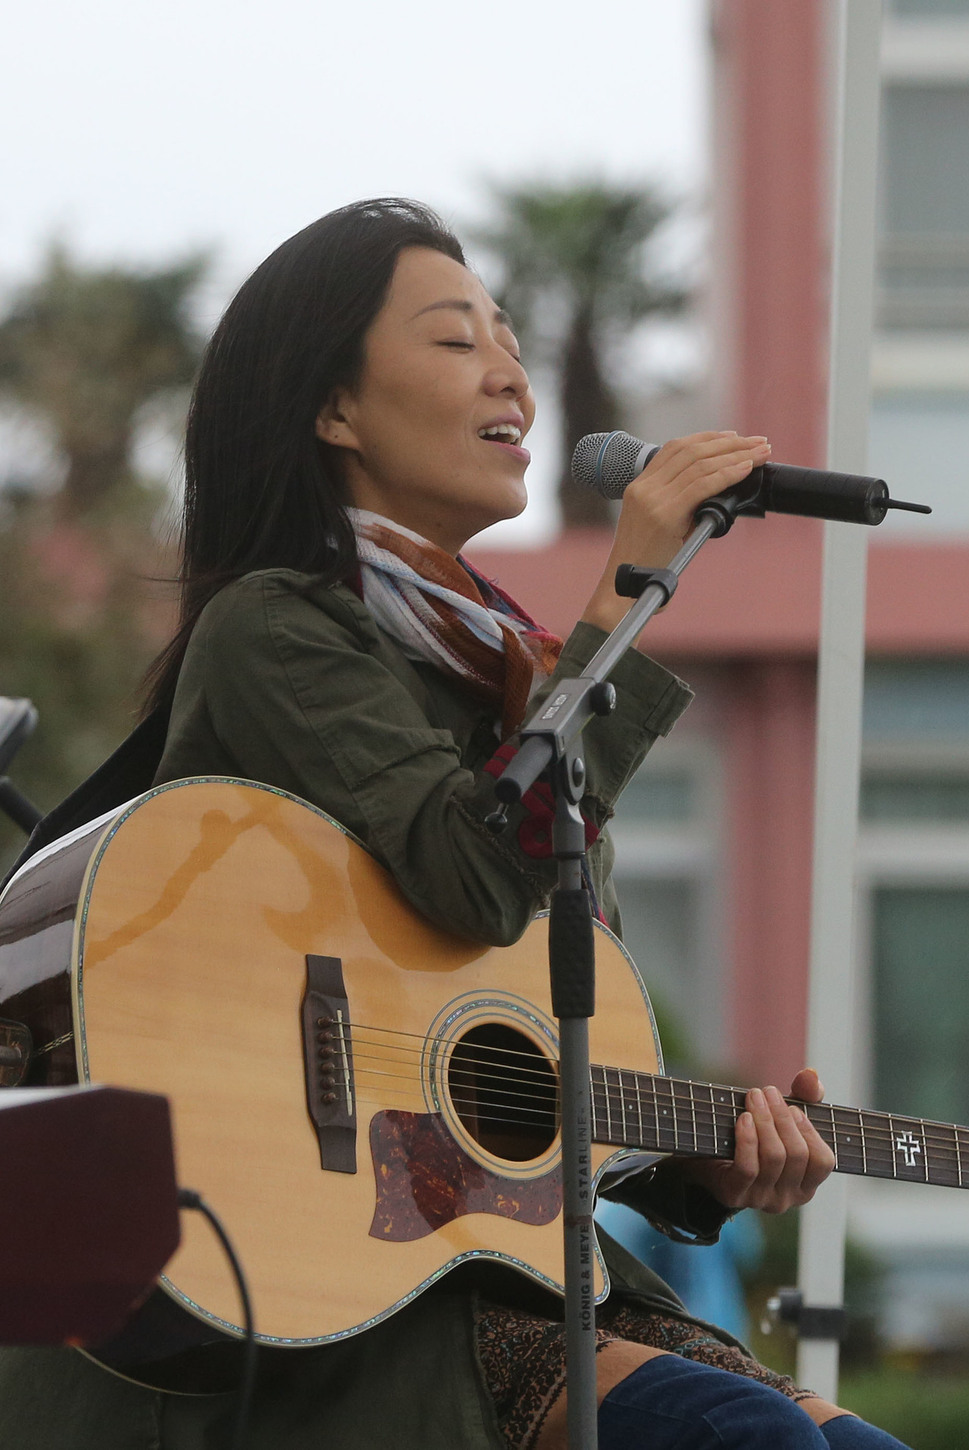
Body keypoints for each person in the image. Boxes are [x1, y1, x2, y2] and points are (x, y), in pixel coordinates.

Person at [0, 199, 910, 1449]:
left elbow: (504, 1050)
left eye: (509, 335)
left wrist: (701, 1169)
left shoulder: (509, 667)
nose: (511, 374)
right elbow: (476, 878)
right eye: (452, 340)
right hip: (325, 1312)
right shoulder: (277, 626)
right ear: (333, 409)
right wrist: (627, 591)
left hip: (493, 1268)